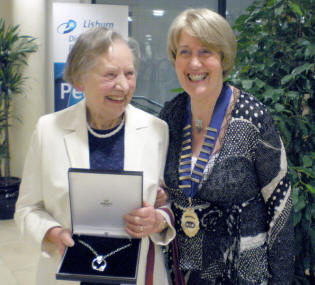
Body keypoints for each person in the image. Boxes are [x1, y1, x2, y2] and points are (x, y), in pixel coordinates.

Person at [14, 27, 174, 285]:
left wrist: (157, 219)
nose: (122, 85)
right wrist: (53, 233)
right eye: (110, 74)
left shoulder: (156, 130)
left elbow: (168, 201)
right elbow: (27, 209)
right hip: (68, 273)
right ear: (80, 80)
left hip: (137, 271)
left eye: (129, 73)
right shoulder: (48, 130)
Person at [159, 8, 294, 285]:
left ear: (223, 57)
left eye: (205, 51)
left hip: (242, 273)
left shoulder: (253, 118)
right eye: (184, 52)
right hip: (183, 273)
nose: (194, 63)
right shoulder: (169, 118)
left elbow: (281, 207)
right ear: (174, 59)